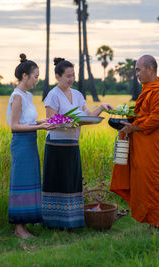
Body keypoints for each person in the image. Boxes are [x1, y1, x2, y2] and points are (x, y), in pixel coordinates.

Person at [42, 57, 113, 230]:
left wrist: (101, 107)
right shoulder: (53, 95)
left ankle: (72, 221)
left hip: (72, 145)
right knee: (58, 182)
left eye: (73, 75)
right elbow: (52, 120)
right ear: (57, 76)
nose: (71, 79)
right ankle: (54, 223)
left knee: (71, 182)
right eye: (67, 76)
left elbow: (87, 114)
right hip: (56, 146)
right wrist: (72, 121)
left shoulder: (78, 94)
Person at [110, 55, 159, 228]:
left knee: (154, 181)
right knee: (143, 182)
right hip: (141, 145)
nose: (137, 74)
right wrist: (126, 118)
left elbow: (156, 120)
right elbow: (142, 115)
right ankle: (149, 220)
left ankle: (157, 223)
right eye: (136, 70)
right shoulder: (147, 90)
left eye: (139, 69)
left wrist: (133, 128)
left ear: (150, 69)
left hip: (153, 145)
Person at [6, 53, 53, 239]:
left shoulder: (28, 96)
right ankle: (19, 228)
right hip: (21, 143)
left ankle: (24, 226)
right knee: (20, 183)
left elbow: (29, 121)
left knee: (30, 183)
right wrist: (40, 127)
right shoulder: (17, 96)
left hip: (30, 141)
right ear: (25, 76)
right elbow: (15, 125)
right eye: (35, 76)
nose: (37, 80)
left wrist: (44, 123)